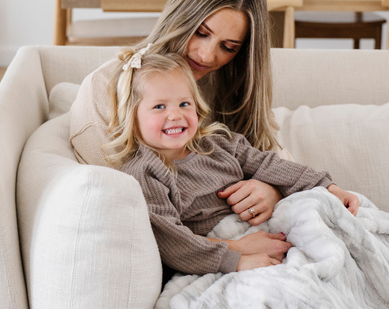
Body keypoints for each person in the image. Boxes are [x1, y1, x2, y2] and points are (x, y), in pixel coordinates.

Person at [69, 0, 285, 227]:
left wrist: (273, 191)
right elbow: (131, 207)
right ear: (181, 18)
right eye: (201, 33)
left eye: (228, 47)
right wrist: (227, 252)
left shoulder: (230, 85)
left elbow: (273, 154)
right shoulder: (107, 89)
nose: (207, 55)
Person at [107, 50, 360, 275]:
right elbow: (172, 241)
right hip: (222, 255)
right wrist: (238, 254)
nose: (175, 114)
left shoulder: (219, 143)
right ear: (132, 116)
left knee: (340, 226)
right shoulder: (145, 172)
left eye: (185, 103)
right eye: (159, 106)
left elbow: (271, 166)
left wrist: (328, 188)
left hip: (268, 230)